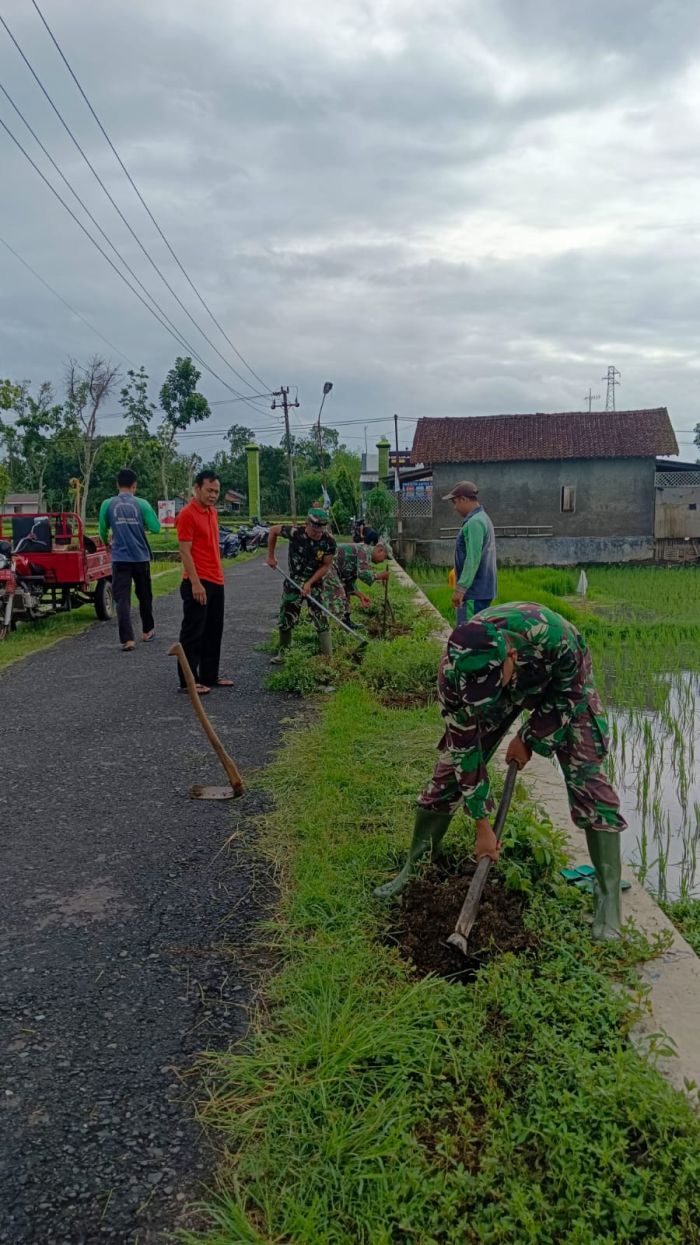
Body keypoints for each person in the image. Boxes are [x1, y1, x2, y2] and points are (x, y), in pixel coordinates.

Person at [374, 602, 626, 941]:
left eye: (489, 683)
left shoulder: (551, 635)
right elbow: (464, 749)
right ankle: (414, 869)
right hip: (504, 692)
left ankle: (608, 898)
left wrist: (529, 736)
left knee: (588, 778)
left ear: (509, 655)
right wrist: (482, 825)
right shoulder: (452, 674)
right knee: (447, 776)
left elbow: (571, 692)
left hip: (558, 686)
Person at [175, 470, 233, 694]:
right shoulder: (187, 514)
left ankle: (210, 675)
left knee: (213, 630)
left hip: (216, 579)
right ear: (197, 488)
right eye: (209, 490)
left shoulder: (212, 512)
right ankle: (188, 681)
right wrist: (195, 583)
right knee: (193, 632)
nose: (213, 495)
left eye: (216, 491)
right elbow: (184, 551)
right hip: (198, 581)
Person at [98, 468, 160, 651]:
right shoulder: (142, 504)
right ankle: (147, 631)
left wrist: (107, 541)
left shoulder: (107, 504)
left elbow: (102, 530)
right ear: (135, 486)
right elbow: (156, 528)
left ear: (117, 485)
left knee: (122, 599)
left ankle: (128, 640)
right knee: (145, 596)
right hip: (141, 557)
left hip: (120, 559)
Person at [266, 508, 336, 662]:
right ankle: (283, 653)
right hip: (293, 581)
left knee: (320, 616)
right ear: (307, 524)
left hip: (315, 582)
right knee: (286, 616)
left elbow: (326, 565)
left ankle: (328, 658)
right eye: (315, 530)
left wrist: (309, 583)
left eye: (321, 530)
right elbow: (273, 531)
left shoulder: (329, 541)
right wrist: (271, 556)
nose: (318, 534)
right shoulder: (295, 533)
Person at [443, 480, 497, 625]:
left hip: (474, 592)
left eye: (455, 502)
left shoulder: (475, 522)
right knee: (478, 634)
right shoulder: (483, 518)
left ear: (463, 499)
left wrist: (461, 589)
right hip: (482, 590)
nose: (455, 508)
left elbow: (473, 558)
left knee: (468, 635)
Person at [322, 541, 389, 627]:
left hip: (337, 569)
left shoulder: (365, 553)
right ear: (380, 550)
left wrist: (360, 595)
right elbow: (363, 573)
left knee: (345, 591)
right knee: (339, 593)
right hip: (328, 565)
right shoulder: (364, 551)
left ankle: (346, 622)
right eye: (385, 557)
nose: (383, 561)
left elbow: (348, 579)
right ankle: (332, 623)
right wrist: (379, 575)